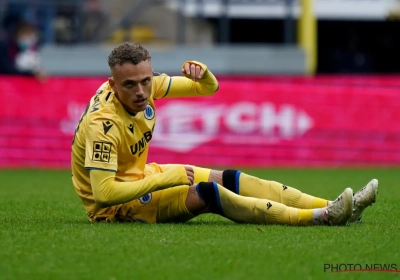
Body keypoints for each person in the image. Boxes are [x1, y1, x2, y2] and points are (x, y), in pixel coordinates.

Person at [71, 42, 378, 226]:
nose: (141, 92)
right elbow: (104, 194)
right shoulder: (103, 125)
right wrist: (168, 177)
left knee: (229, 177)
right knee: (209, 194)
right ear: (113, 84)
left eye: (146, 81)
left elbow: (207, 88)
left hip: (140, 176)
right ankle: (320, 218)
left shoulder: (145, 86)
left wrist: (203, 73)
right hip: (114, 209)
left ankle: (336, 206)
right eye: (130, 85)